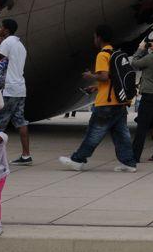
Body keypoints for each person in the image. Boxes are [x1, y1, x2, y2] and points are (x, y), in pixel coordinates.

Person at [59, 25, 137, 171]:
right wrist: (96, 87)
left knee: (94, 133)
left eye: (95, 36)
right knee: (121, 134)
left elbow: (104, 76)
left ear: (99, 38)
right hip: (119, 101)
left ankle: (77, 160)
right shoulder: (114, 53)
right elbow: (112, 79)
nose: (94, 39)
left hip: (106, 103)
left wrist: (90, 76)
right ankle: (128, 163)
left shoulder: (102, 55)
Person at [0, 18, 30, 165]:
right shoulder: (20, 45)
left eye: (1, 28)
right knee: (20, 121)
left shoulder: (6, 42)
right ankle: (26, 155)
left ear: (7, 30)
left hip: (9, 88)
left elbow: (0, 61)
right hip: (19, 87)